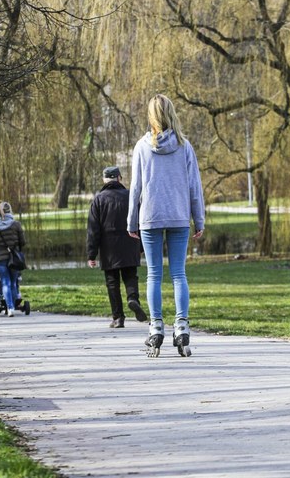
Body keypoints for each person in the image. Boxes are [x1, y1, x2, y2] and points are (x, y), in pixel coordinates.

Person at [127, 94, 205, 357]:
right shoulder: (185, 147)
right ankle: (181, 326)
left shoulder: (141, 147)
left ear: (151, 116)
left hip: (150, 216)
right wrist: (199, 218)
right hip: (179, 216)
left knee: (153, 275)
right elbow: (195, 186)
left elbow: (136, 187)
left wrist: (131, 221)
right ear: (172, 113)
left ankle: (156, 327)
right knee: (179, 274)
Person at [87, 166, 148, 328]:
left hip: (109, 248)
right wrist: (141, 246)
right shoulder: (131, 196)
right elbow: (142, 222)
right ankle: (133, 298)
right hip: (131, 242)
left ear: (104, 180)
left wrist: (91, 254)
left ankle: (118, 317)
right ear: (119, 178)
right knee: (130, 275)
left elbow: (94, 229)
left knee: (112, 281)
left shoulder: (99, 200)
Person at [0, 201, 26, 317]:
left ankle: (9, 308)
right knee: (14, 282)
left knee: (5, 282)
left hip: (0, 258)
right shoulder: (16, 225)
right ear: (10, 210)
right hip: (13, 258)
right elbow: (22, 242)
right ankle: (13, 306)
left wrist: (0, 245)